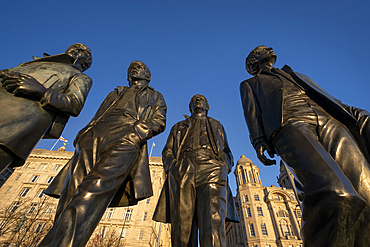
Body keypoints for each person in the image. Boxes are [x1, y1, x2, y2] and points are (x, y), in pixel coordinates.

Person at [240, 45, 370, 247]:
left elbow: (331, 100)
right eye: (262, 49)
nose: (270, 48)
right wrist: (258, 140)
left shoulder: (296, 74)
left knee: (367, 193)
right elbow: (252, 113)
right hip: (290, 124)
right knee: (336, 192)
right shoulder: (250, 84)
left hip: (329, 122)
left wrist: (357, 114)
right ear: (254, 61)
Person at [38, 61, 167, 247]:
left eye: (140, 67)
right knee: (71, 190)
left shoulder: (156, 96)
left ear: (148, 75)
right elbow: (98, 114)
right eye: (131, 67)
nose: (134, 68)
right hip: (95, 134)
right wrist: (85, 132)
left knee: (95, 187)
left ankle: (57, 244)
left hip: (128, 132)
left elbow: (159, 121)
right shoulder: (115, 92)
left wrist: (138, 133)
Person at [153, 94, 238, 247]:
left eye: (202, 99)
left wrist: (222, 167)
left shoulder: (216, 125)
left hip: (212, 167)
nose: (197, 100)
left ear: (207, 106)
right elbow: (168, 150)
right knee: (182, 225)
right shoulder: (178, 126)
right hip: (183, 168)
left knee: (213, 223)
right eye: (194, 100)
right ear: (190, 107)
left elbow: (226, 150)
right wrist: (172, 166)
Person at [0, 43, 93, 173]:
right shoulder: (30, 64)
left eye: (84, 51)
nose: (77, 50)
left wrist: (42, 91)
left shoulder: (80, 77)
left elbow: (75, 104)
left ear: (86, 62)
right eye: (74, 47)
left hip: (18, 121)